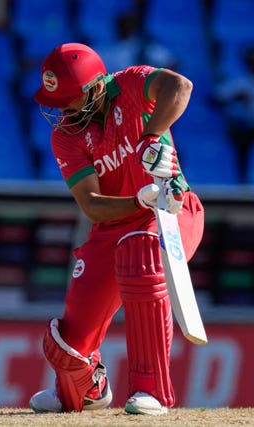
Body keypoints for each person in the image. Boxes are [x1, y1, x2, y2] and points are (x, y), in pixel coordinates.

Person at [29, 43, 204, 415]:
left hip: (172, 213)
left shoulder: (132, 84)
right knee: (70, 338)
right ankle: (88, 389)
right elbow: (92, 205)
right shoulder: (67, 136)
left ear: (95, 87)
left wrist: (152, 136)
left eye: (69, 100)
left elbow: (180, 87)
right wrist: (138, 201)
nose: (62, 110)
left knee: (142, 254)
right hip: (114, 225)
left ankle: (151, 391)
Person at [212, 44, 254, 183]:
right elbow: (216, 98)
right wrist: (234, 100)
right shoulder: (239, 83)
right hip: (244, 129)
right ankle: (242, 182)